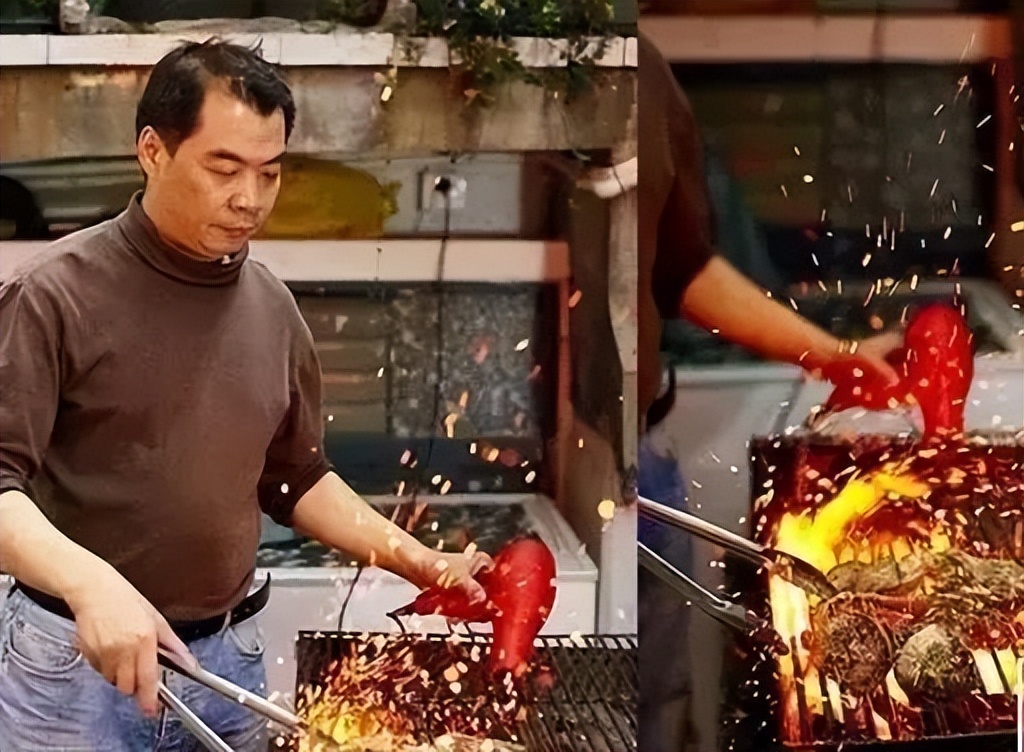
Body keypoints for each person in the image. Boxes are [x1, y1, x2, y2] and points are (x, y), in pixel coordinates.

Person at [0, 40, 491, 752]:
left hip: (227, 659)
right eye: (223, 168)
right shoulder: (52, 294)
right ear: (153, 151)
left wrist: (418, 558)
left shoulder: (271, 306)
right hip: (74, 668)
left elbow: (296, 479)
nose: (249, 199)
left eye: (269, 173)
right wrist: (91, 585)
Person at [636, 33, 901, 752]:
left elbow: (685, 265)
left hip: (641, 457)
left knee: (658, 696)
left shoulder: (648, 73)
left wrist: (829, 354)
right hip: (570, 452)